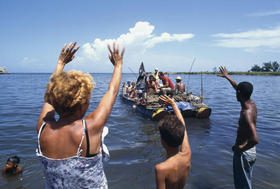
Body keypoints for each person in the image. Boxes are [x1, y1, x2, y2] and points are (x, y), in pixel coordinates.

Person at [36, 42, 124, 188]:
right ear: (83, 104)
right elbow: (112, 91)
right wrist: (118, 65)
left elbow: (50, 95)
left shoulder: (42, 128)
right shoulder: (90, 127)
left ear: (53, 100)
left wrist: (60, 63)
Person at [218, 66, 258, 189]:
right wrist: (227, 77)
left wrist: (240, 149)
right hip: (251, 152)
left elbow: (255, 139)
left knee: (242, 186)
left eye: (237, 91)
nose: (235, 91)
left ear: (239, 93)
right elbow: (237, 86)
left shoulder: (247, 113)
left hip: (244, 153)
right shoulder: (251, 102)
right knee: (245, 182)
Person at [155, 95, 191, 189]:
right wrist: (173, 105)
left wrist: (173, 104)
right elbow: (183, 126)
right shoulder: (187, 155)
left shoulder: (161, 169)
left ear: (162, 141)